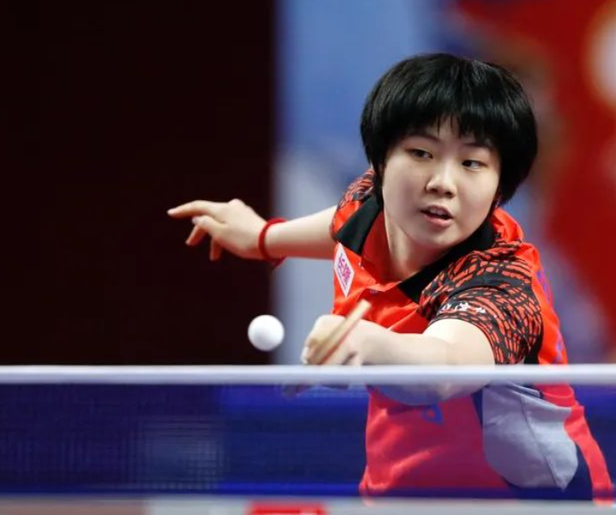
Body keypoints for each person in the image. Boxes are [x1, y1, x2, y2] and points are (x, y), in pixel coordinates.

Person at [168, 53, 613, 500]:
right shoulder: (371, 202)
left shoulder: (501, 283)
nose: (442, 182)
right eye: (421, 153)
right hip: (399, 493)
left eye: (472, 163)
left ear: (500, 186)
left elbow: (446, 366)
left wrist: (366, 342)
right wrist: (264, 237)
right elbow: (346, 227)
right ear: (381, 163)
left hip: (523, 505)